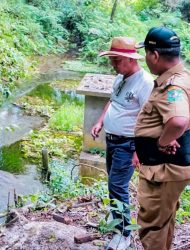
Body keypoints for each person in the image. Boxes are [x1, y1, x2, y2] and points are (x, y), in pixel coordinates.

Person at [91, 37, 153, 250]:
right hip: (112, 141)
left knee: (118, 185)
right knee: (113, 183)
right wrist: (100, 121)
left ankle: (124, 234)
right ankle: (117, 220)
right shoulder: (120, 77)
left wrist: (138, 151)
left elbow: (148, 118)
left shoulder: (144, 82)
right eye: (112, 60)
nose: (113, 64)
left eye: (116, 60)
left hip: (128, 144)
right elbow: (112, 101)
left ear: (130, 59)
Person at [135, 27, 190, 250]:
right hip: (167, 169)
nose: (146, 59)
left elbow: (178, 120)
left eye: (146, 53)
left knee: (153, 225)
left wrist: (163, 142)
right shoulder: (183, 77)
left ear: (155, 55)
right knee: (164, 221)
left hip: (163, 168)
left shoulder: (173, 85)